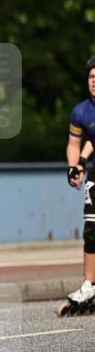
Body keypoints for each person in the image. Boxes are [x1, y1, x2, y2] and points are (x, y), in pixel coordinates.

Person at [62, 55, 95, 313]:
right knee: (91, 229)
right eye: (91, 77)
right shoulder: (80, 111)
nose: (94, 82)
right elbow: (75, 143)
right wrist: (76, 166)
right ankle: (90, 285)